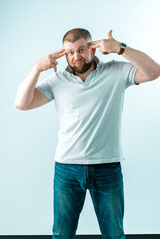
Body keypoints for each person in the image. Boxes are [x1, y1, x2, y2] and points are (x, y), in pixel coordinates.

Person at [15, 28, 160, 239]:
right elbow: (22, 103)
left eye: (81, 49)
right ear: (64, 54)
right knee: (62, 234)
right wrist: (36, 68)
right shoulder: (57, 81)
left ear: (93, 49)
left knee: (114, 234)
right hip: (67, 169)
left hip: (107, 167)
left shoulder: (116, 71)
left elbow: (154, 71)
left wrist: (121, 48)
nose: (76, 56)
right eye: (70, 52)